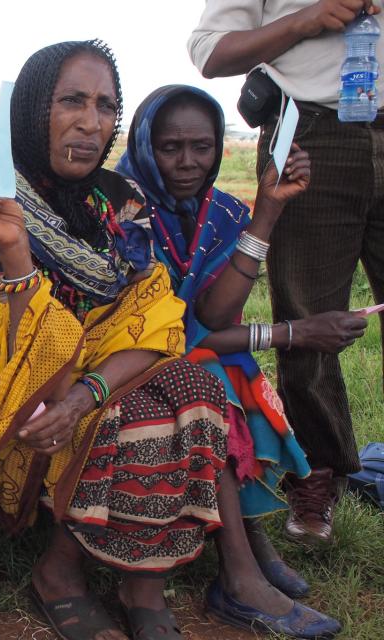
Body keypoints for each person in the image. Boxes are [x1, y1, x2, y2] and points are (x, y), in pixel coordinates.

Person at [0, 39, 235, 640]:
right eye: (71, 101)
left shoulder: (115, 203)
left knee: (195, 385)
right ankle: (60, 573)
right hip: (7, 402)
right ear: (33, 110)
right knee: (129, 414)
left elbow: (158, 322)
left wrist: (88, 390)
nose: (91, 122)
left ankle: (143, 582)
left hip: (78, 390)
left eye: (106, 106)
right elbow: (12, 362)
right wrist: (17, 250)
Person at [117, 85, 346, 637]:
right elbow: (172, 334)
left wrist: (266, 213)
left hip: (184, 351)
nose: (189, 162)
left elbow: (217, 317)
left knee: (223, 368)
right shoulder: (122, 208)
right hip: (123, 355)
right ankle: (241, 572)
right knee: (212, 375)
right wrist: (292, 332)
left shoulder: (218, 210)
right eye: (171, 147)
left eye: (203, 146)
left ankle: (245, 544)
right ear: (146, 145)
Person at [189, 0, 381, 546]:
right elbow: (211, 51)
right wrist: (307, 18)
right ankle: (317, 471)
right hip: (317, 130)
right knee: (307, 311)